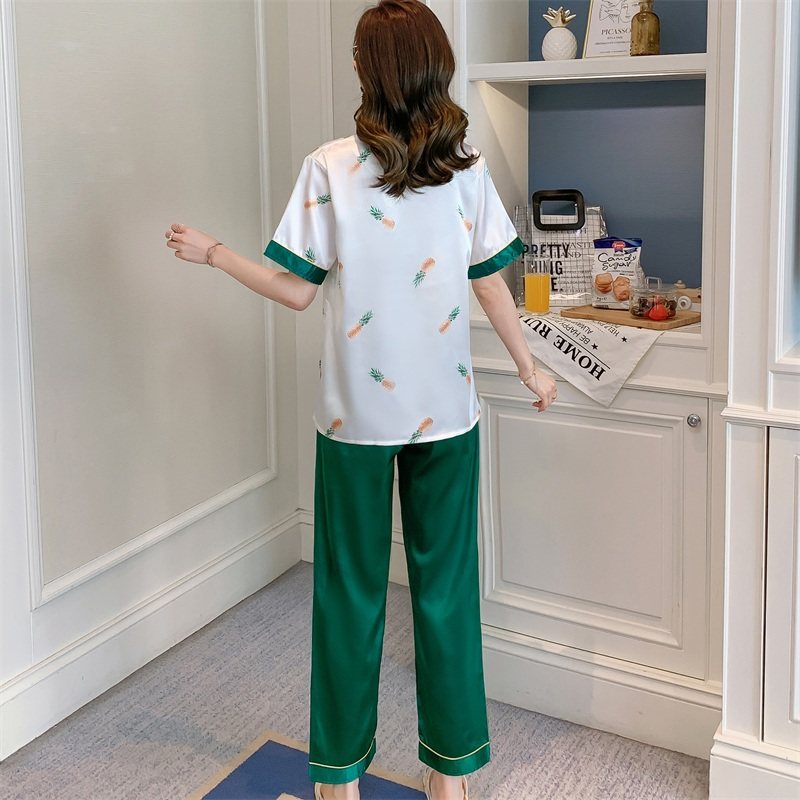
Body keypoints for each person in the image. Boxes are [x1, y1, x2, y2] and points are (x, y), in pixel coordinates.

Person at [164, 1, 557, 797]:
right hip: (446, 414)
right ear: (436, 65)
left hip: (354, 419)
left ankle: (338, 780)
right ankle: (450, 779)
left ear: (364, 69)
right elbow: (491, 285)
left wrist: (215, 254)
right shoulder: (467, 168)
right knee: (446, 593)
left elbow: (295, 290)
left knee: (349, 592)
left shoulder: (330, 167)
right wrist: (528, 369)